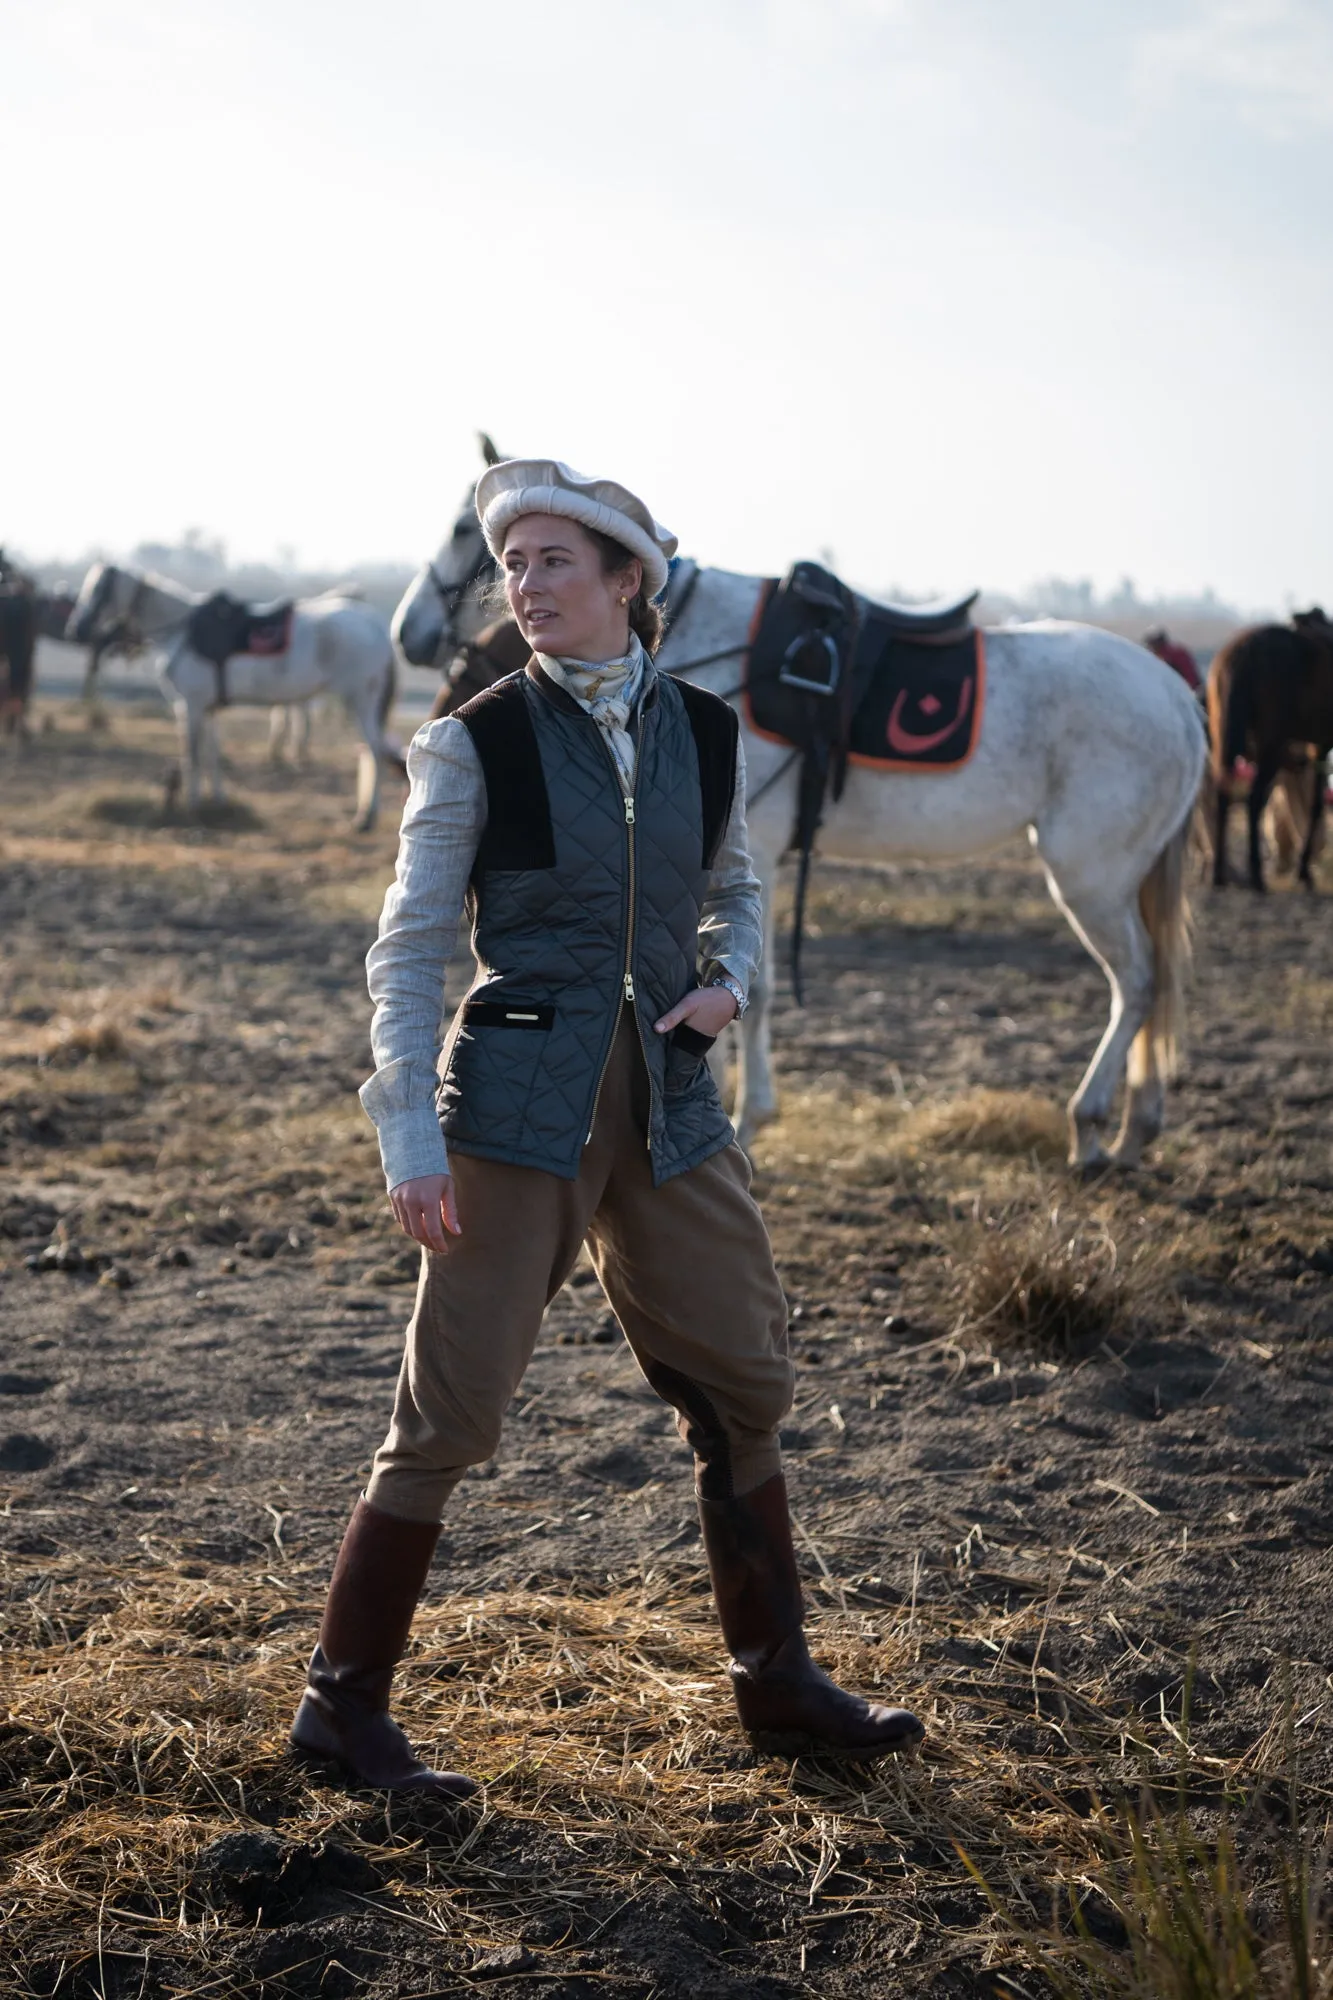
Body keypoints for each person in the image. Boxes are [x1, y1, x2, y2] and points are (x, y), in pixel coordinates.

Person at [290, 459, 924, 1797]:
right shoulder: (474, 739)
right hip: (517, 1109)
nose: (524, 586)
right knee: (449, 1411)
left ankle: (777, 1683)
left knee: (744, 1379)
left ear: (628, 581)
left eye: (553, 562)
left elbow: (734, 889)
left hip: (671, 1097)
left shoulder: (702, 729)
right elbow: (407, 949)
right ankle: (340, 1715)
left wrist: (729, 982)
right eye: (511, 564)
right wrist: (408, 1131)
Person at [1143, 627, 1201, 693]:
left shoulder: (1171, 655)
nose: (1151, 648)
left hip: (1188, 691)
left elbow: (1190, 677)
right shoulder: (1173, 652)